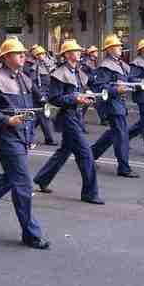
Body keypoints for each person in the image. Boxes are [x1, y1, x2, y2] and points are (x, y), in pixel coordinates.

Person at [0, 37, 50, 250]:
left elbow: (30, 109)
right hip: (5, 138)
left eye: (24, 53)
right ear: (6, 58)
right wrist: (5, 120)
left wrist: (30, 134)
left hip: (20, 136)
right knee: (23, 184)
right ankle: (31, 234)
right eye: (18, 53)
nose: (23, 56)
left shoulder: (24, 77)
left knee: (9, 178)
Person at [33, 39, 104, 204]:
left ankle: (42, 179)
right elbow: (55, 98)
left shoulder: (77, 71)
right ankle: (89, 193)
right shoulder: (60, 73)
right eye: (74, 51)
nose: (78, 53)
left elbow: (81, 90)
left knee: (64, 152)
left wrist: (88, 95)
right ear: (66, 55)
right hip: (67, 116)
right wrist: (75, 98)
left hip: (76, 115)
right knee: (86, 155)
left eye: (79, 51)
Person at [90, 34, 140, 178]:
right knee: (121, 136)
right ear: (110, 49)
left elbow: (130, 79)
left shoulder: (120, 64)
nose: (120, 48)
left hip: (119, 103)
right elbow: (101, 87)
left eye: (120, 46)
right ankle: (124, 168)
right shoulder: (105, 66)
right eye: (117, 46)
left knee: (113, 133)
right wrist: (116, 90)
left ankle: (90, 155)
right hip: (112, 105)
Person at [24, 45, 56, 146]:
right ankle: (29, 139)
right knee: (32, 118)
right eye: (40, 54)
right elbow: (32, 84)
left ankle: (49, 138)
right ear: (36, 56)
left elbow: (49, 80)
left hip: (44, 94)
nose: (43, 56)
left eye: (43, 54)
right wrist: (39, 95)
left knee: (43, 116)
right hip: (35, 96)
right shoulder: (31, 67)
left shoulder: (44, 65)